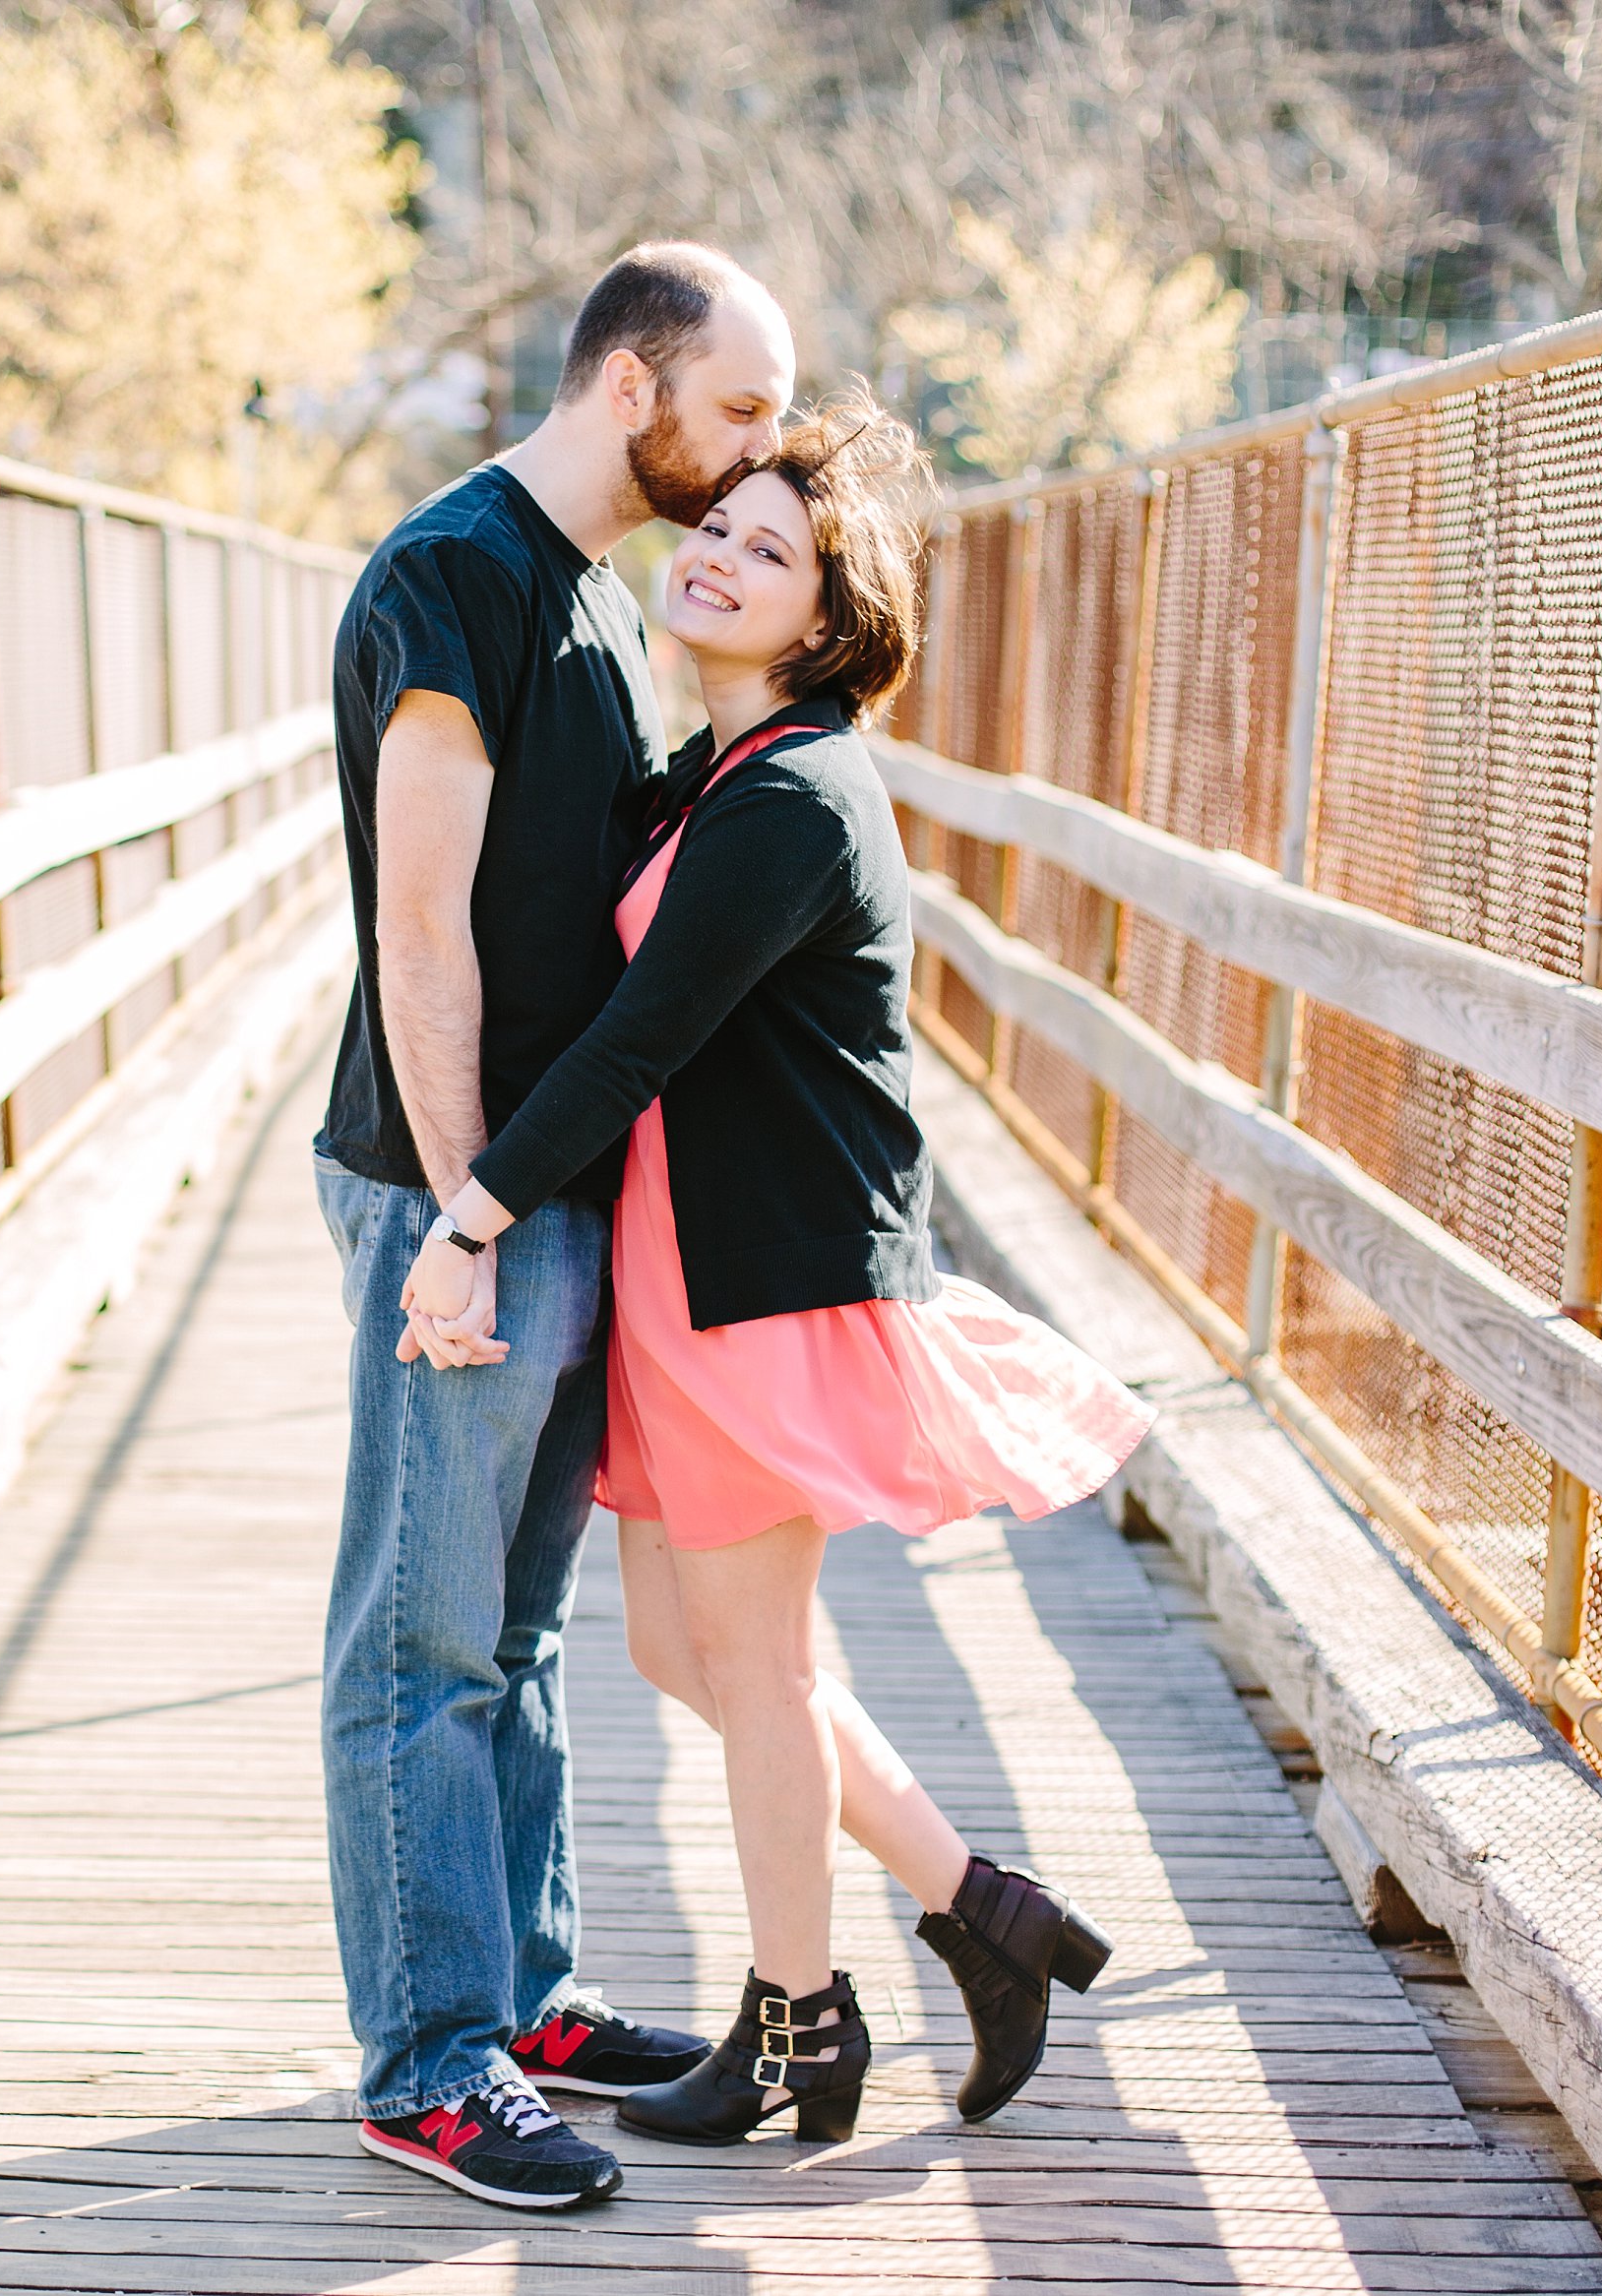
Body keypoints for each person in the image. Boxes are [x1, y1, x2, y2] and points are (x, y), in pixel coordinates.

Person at [402, 391, 1152, 2149]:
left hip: (769, 1286)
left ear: (828, 619)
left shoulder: (800, 795)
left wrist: (471, 1212)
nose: (723, 561)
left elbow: (637, 1039)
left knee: (752, 1664)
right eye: (720, 529)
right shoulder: (716, 773)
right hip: (691, 1271)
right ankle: (986, 1909)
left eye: (773, 552)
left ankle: (801, 2026)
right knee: (687, 1644)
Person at [314, 242, 796, 2212]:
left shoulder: (595, 599)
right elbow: (416, 928)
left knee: (513, 1628)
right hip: (458, 1200)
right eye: (744, 409)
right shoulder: (454, 582)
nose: (765, 445)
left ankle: (520, 1989)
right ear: (629, 385)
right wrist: (458, 1217)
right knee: (418, 1632)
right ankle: (428, 2060)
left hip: (549, 1193)